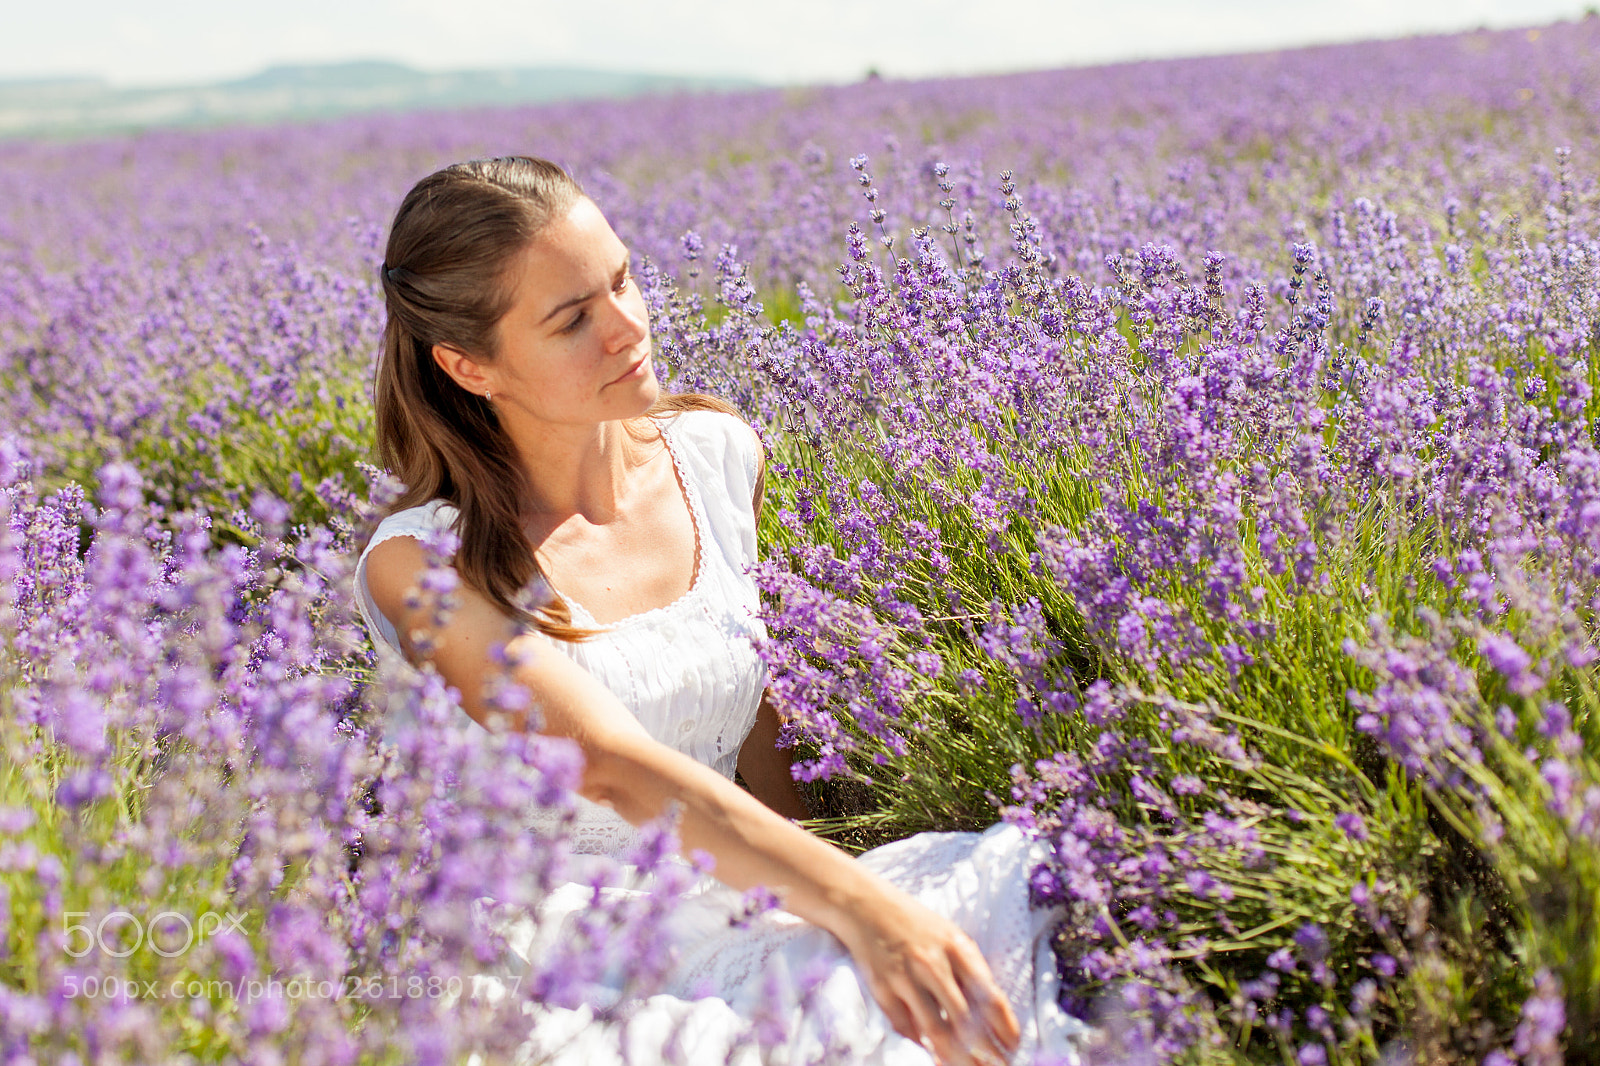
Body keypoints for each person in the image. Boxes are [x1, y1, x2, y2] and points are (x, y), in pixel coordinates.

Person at [355, 156, 1088, 1066]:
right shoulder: (422, 565)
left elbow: (755, 720)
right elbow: (608, 766)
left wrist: (837, 880)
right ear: (470, 366)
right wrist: (864, 911)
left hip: (732, 889)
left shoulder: (716, 455)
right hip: (555, 955)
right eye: (572, 318)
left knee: (1009, 909)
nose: (627, 327)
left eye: (620, 279)